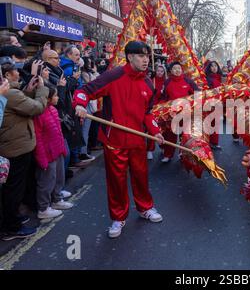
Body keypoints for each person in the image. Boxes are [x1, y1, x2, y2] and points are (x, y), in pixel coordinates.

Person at [74, 41, 165, 238]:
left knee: (141, 176)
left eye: (147, 56)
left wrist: (155, 131)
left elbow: (147, 113)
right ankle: (118, 217)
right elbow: (84, 91)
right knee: (117, 180)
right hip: (114, 140)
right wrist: (80, 105)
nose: (145, 60)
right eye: (141, 56)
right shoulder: (113, 76)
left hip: (138, 139)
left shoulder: (148, 84)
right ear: (130, 57)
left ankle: (145, 207)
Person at [0, 56, 48, 240]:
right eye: (16, 71)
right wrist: (42, 89)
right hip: (15, 147)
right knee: (14, 188)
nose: (19, 73)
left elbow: (21, 104)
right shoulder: (9, 94)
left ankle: (13, 218)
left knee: (15, 187)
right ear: (7, 75)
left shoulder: (11, 93)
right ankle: (11, 227)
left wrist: (28, 90)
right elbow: (35, 108)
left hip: (15, 144)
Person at [33, 86, 73, 219]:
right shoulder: (39, 114)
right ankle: (43, 208)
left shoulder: (53, 110)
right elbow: (38, 139)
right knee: (46, 181)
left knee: (58, 177)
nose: (58, 98)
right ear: (48, 99)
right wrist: (42, 158)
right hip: (47, 153)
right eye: (55, 96)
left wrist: (62, 148)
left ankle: (57, 199)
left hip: (57, 150)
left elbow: (58, 132)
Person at [160, 61, 199, 163]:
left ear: (182, 70)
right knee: (170, 135)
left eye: (179, 68)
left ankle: (183, 154)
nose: (177, 70)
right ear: (171, 71)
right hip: (171, 114)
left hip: (186, 113)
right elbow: (163, 98)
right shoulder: (167, 82)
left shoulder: (188, 81)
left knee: (185, 135)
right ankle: (168, 155)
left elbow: (198, 93)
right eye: (175, 68)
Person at [147, 64, 167, 160]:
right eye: (158, 71)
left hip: (161, 109)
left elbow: (166, 96)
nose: (159, 73)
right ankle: (150, 150)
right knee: (152, 130)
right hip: (151, 108)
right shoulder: (151, 80)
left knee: (162, 129)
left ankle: (163, 147)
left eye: (161, 71)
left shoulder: (166, 82)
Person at [205, 60, 223, 150]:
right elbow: (204, 91)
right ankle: (208, 143)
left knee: (216, 124)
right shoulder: (207, 79)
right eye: (212, 66)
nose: (214, 68)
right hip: (210, 104)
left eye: (215, 66)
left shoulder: (221, 78)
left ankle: (214, 143)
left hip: (218, 103)